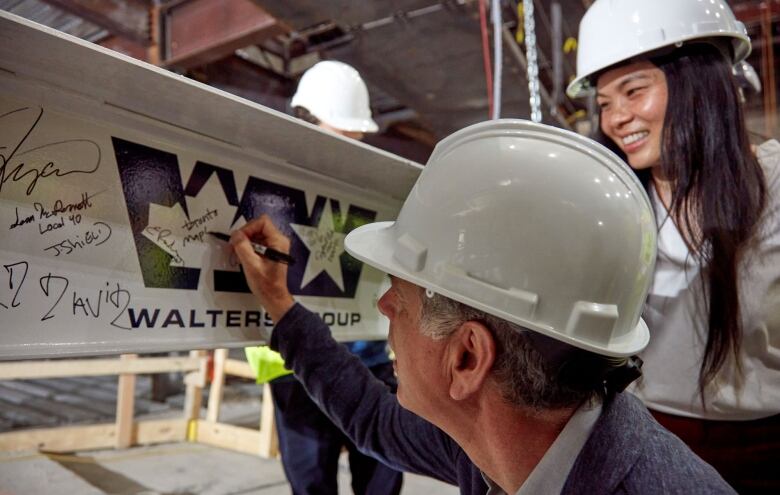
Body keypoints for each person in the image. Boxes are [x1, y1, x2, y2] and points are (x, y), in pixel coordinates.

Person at [232, 119, 736, 494]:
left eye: (400, 298)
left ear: (468, 357)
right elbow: (373, 419)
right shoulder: (510, 441)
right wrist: (280, 302)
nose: (384, 305)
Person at [566, 0, 780, 492]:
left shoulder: (773, 184)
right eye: (603, 103)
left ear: (697, 81)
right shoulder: (616, 202)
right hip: (648, 442)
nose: (616, 117)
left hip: (764, 449)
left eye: (633, 90)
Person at [244, 59, 403, 495]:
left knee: (383, 481)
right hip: (293, 368)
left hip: (369, 362)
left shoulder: (372, 193)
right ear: (302, 124)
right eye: (340, 142)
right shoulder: (261, 187)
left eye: (356, 143)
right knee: (312, 485)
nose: (350, 156)